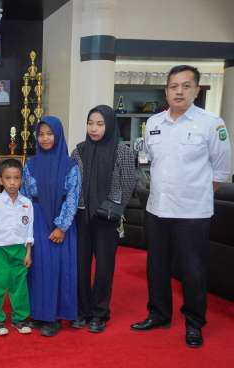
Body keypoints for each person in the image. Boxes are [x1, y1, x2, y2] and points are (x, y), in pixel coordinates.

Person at [131, 65, 231, 348]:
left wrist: (194, 194)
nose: (179, 91)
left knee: (192, 270)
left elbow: (220, 172)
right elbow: (150, 160)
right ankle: (159, 314)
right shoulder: (154, 123)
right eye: (174, 86)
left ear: (196, 90)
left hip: (192, 213)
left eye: (186, 86)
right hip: (157, 209)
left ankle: (194, 323)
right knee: (157, 266)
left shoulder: (211, 124)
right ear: (166, 91)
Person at [71, 105, 136, 333]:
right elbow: (72, 183)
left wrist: (114, 206)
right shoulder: (79, 150)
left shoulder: (122, 151)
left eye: (100, 124)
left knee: (104, 268)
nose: (94, 128)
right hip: (82, 215)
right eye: (90, 123)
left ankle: (99, 313)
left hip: (107, 218)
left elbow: (128, 184)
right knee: (80, 266)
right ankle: (82, 310)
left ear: (109, 125)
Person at [21, 116, 81, 337]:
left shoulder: (70, 166)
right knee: (36, 269)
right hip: (36, 220)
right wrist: (24, 225)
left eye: (49, 134)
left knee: (56, 269)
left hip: (59, 222)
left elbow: (72, 198)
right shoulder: (30, 164)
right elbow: (25, 196)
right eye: (41, 134)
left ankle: (54, 317)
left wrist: (61, 226)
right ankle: (38, 313)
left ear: (59, 136)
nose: (45, 138)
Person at [0, 158, 34, 336]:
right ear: (1, 180)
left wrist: (28, 252)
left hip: (20, 250)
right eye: (8, 178)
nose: (12, 182)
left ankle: (20, 319)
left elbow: (29, 230)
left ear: (21, 180)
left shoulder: (27, 203)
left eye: (16, 178)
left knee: (19, 286)